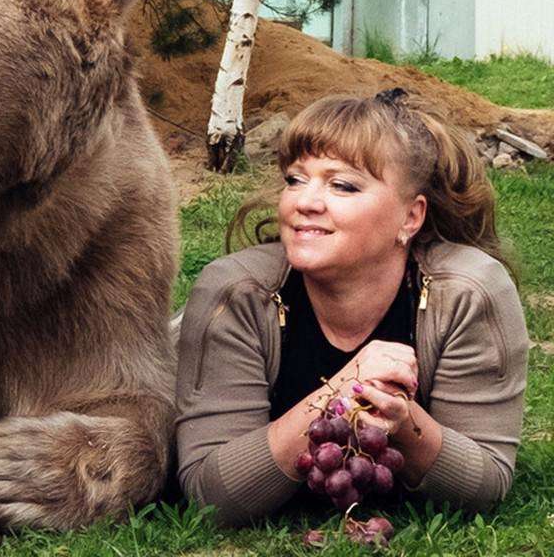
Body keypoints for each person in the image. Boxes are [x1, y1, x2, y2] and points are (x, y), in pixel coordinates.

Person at [174, 90, 529, 526]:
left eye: (342, 185)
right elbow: (212, 495)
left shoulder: (468, 293)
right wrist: (343, 391)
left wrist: (405, 422)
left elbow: (487, 483)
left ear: (410, 218)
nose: (305, 201)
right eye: (295, 179)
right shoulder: (237, 293)